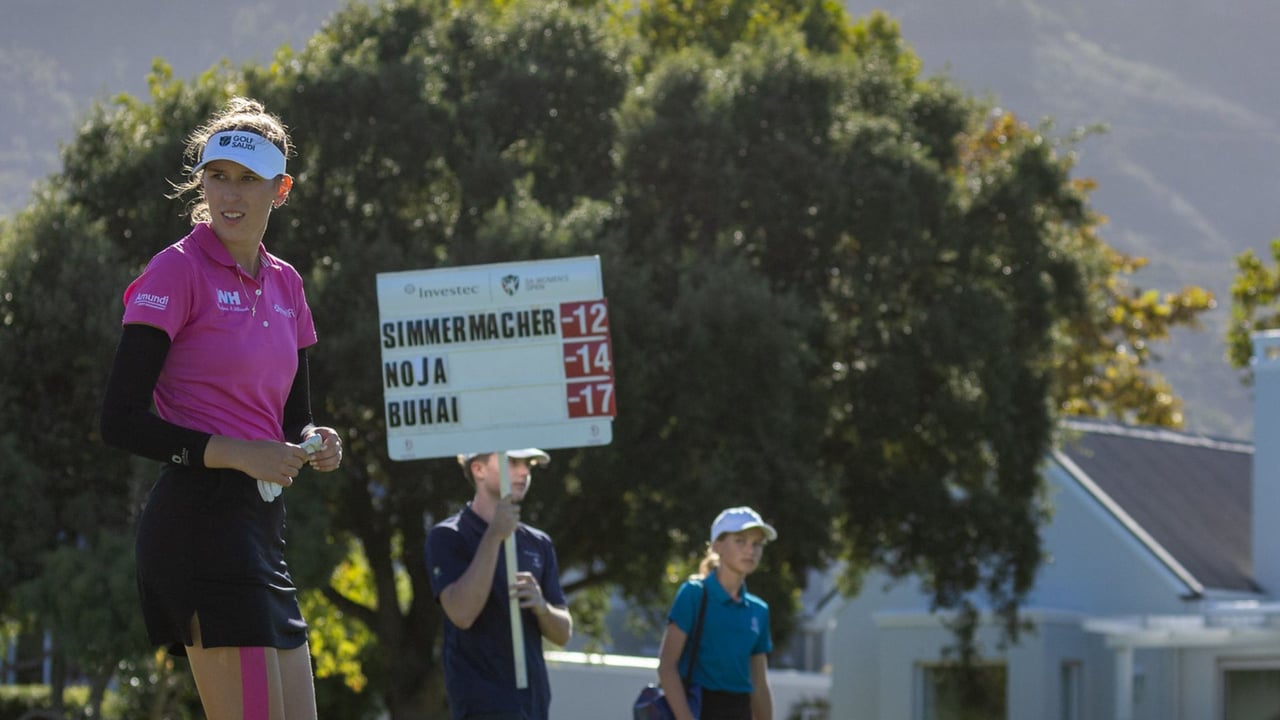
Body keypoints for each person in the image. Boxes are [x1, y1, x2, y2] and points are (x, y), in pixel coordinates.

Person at [100, 96, 342, 720]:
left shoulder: (288, 283)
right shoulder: (174, 272)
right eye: (217, 177)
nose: (229, 195)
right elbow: (120, 419)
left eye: (249, 180)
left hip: (262, 533)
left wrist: (316, 441)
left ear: (279, 189)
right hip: (198, 524)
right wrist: (239, 454)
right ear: (202, 180)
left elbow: (293, 421)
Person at [426, 449, 573, 719]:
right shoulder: (448, 536)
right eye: (513, 462)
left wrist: (542, 607)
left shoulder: (538, 543)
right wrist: (494, 536)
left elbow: (563, 633)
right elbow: (461, 613)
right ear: (478, 470)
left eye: (528, 464)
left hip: (533, 707)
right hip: (480, 707)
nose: (524, 471)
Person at [656, 506, 777, 720]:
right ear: (717, 545)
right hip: (698, 707)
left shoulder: (759, 610)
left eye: (756, 544)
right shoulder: (693, 594)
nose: (750, 550)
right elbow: (667, 667)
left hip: (739, 711)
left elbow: (759, 683)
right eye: (740, 541)